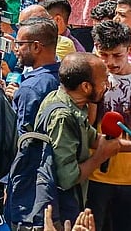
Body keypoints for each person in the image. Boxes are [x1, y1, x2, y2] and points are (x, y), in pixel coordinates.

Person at [36, 53, 131, 226]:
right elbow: (67, 178)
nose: (107, 86)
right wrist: (100, 157)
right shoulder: (63, 117)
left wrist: (116, 146)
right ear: (86, 87)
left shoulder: (69, 103)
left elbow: (94, 139)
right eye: (103, 81)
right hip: (59, 213)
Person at [86, 22, 131, 231]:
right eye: (103, 54)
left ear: (128, 49)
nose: (110, 62)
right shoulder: (87, 76)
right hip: (96, 175)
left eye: (117, 55)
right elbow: (87, 126)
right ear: (95, 47)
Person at [7, 17, 60, 135]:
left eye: (20, 44)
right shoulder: (65, 75)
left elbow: (25, 139)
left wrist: (22, 95)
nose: (16, 49)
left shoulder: (30, 89)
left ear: (36, 47)